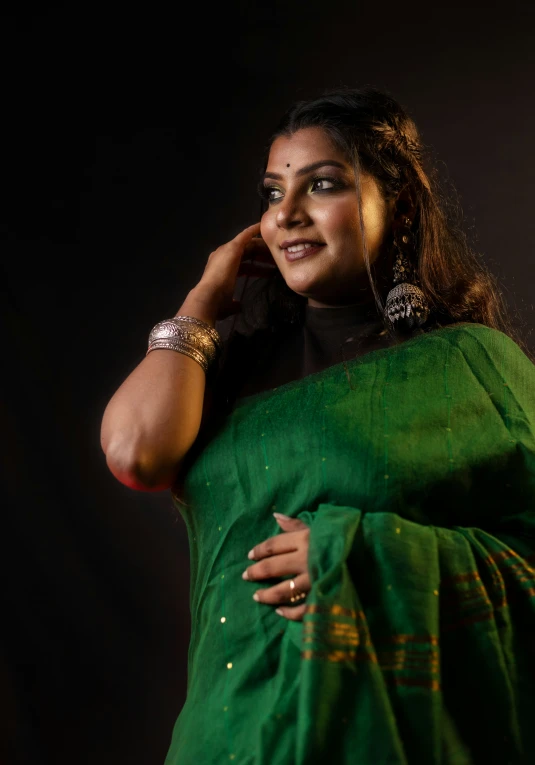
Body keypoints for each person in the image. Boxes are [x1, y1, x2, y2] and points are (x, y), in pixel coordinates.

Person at [100, 86, 535, 764]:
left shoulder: (470, 367)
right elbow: (135, 452)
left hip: (384, 736)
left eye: (322, 185)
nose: (287, 216)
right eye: (272, 194)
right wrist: (199, 303)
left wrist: (360, 553)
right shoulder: (228, 367)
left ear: (402, 206)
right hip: (227, 732)